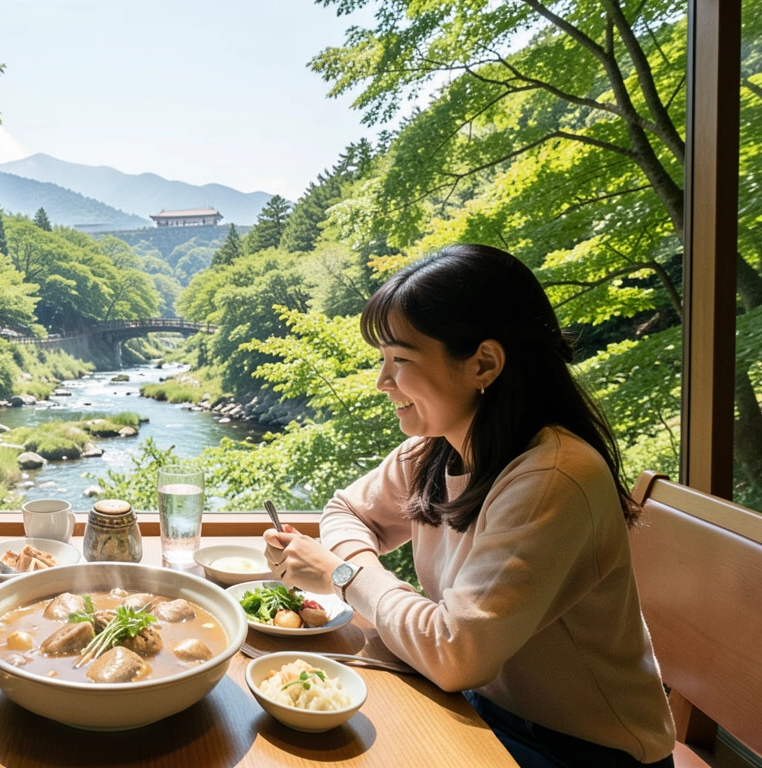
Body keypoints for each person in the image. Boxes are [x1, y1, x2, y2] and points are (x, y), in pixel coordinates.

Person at [264, 244, 676, 768]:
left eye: (401, 360)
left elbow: (455, 653)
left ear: (483, 363)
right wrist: (352, 569)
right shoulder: (438, 447)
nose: (382, 381)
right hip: (482, 708)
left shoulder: (554, 476)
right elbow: (348, 511)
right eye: (382, 360)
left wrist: (343, 573)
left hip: (580, 748)